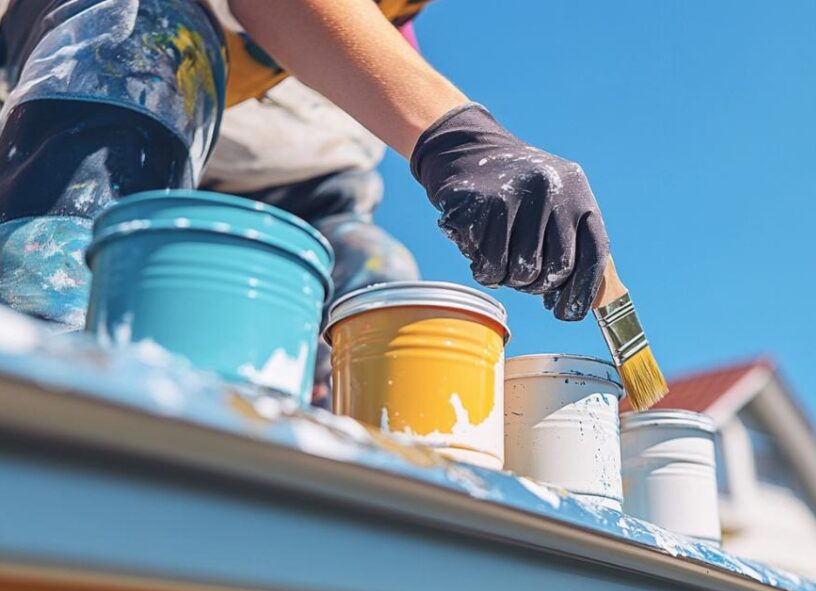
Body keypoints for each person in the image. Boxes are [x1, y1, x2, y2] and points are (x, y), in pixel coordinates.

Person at [0, 0, 610, 376]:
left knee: (380, 293)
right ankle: (42, 373)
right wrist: (459, 137)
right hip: (107, 125)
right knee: (154, 36)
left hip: (294, 186)